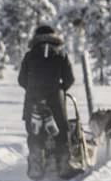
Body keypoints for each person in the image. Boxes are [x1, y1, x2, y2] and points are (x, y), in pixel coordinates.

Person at [19, 23, 76, 171]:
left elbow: (21, 80)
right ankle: (63, 166)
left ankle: (36, 166)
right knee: (61, 132)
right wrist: (61, 89)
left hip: (32, 100)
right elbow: (69, 79)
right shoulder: (61, 54)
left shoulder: (29, 55)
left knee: (35, 133)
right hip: (55, 100)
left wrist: (32, 89)